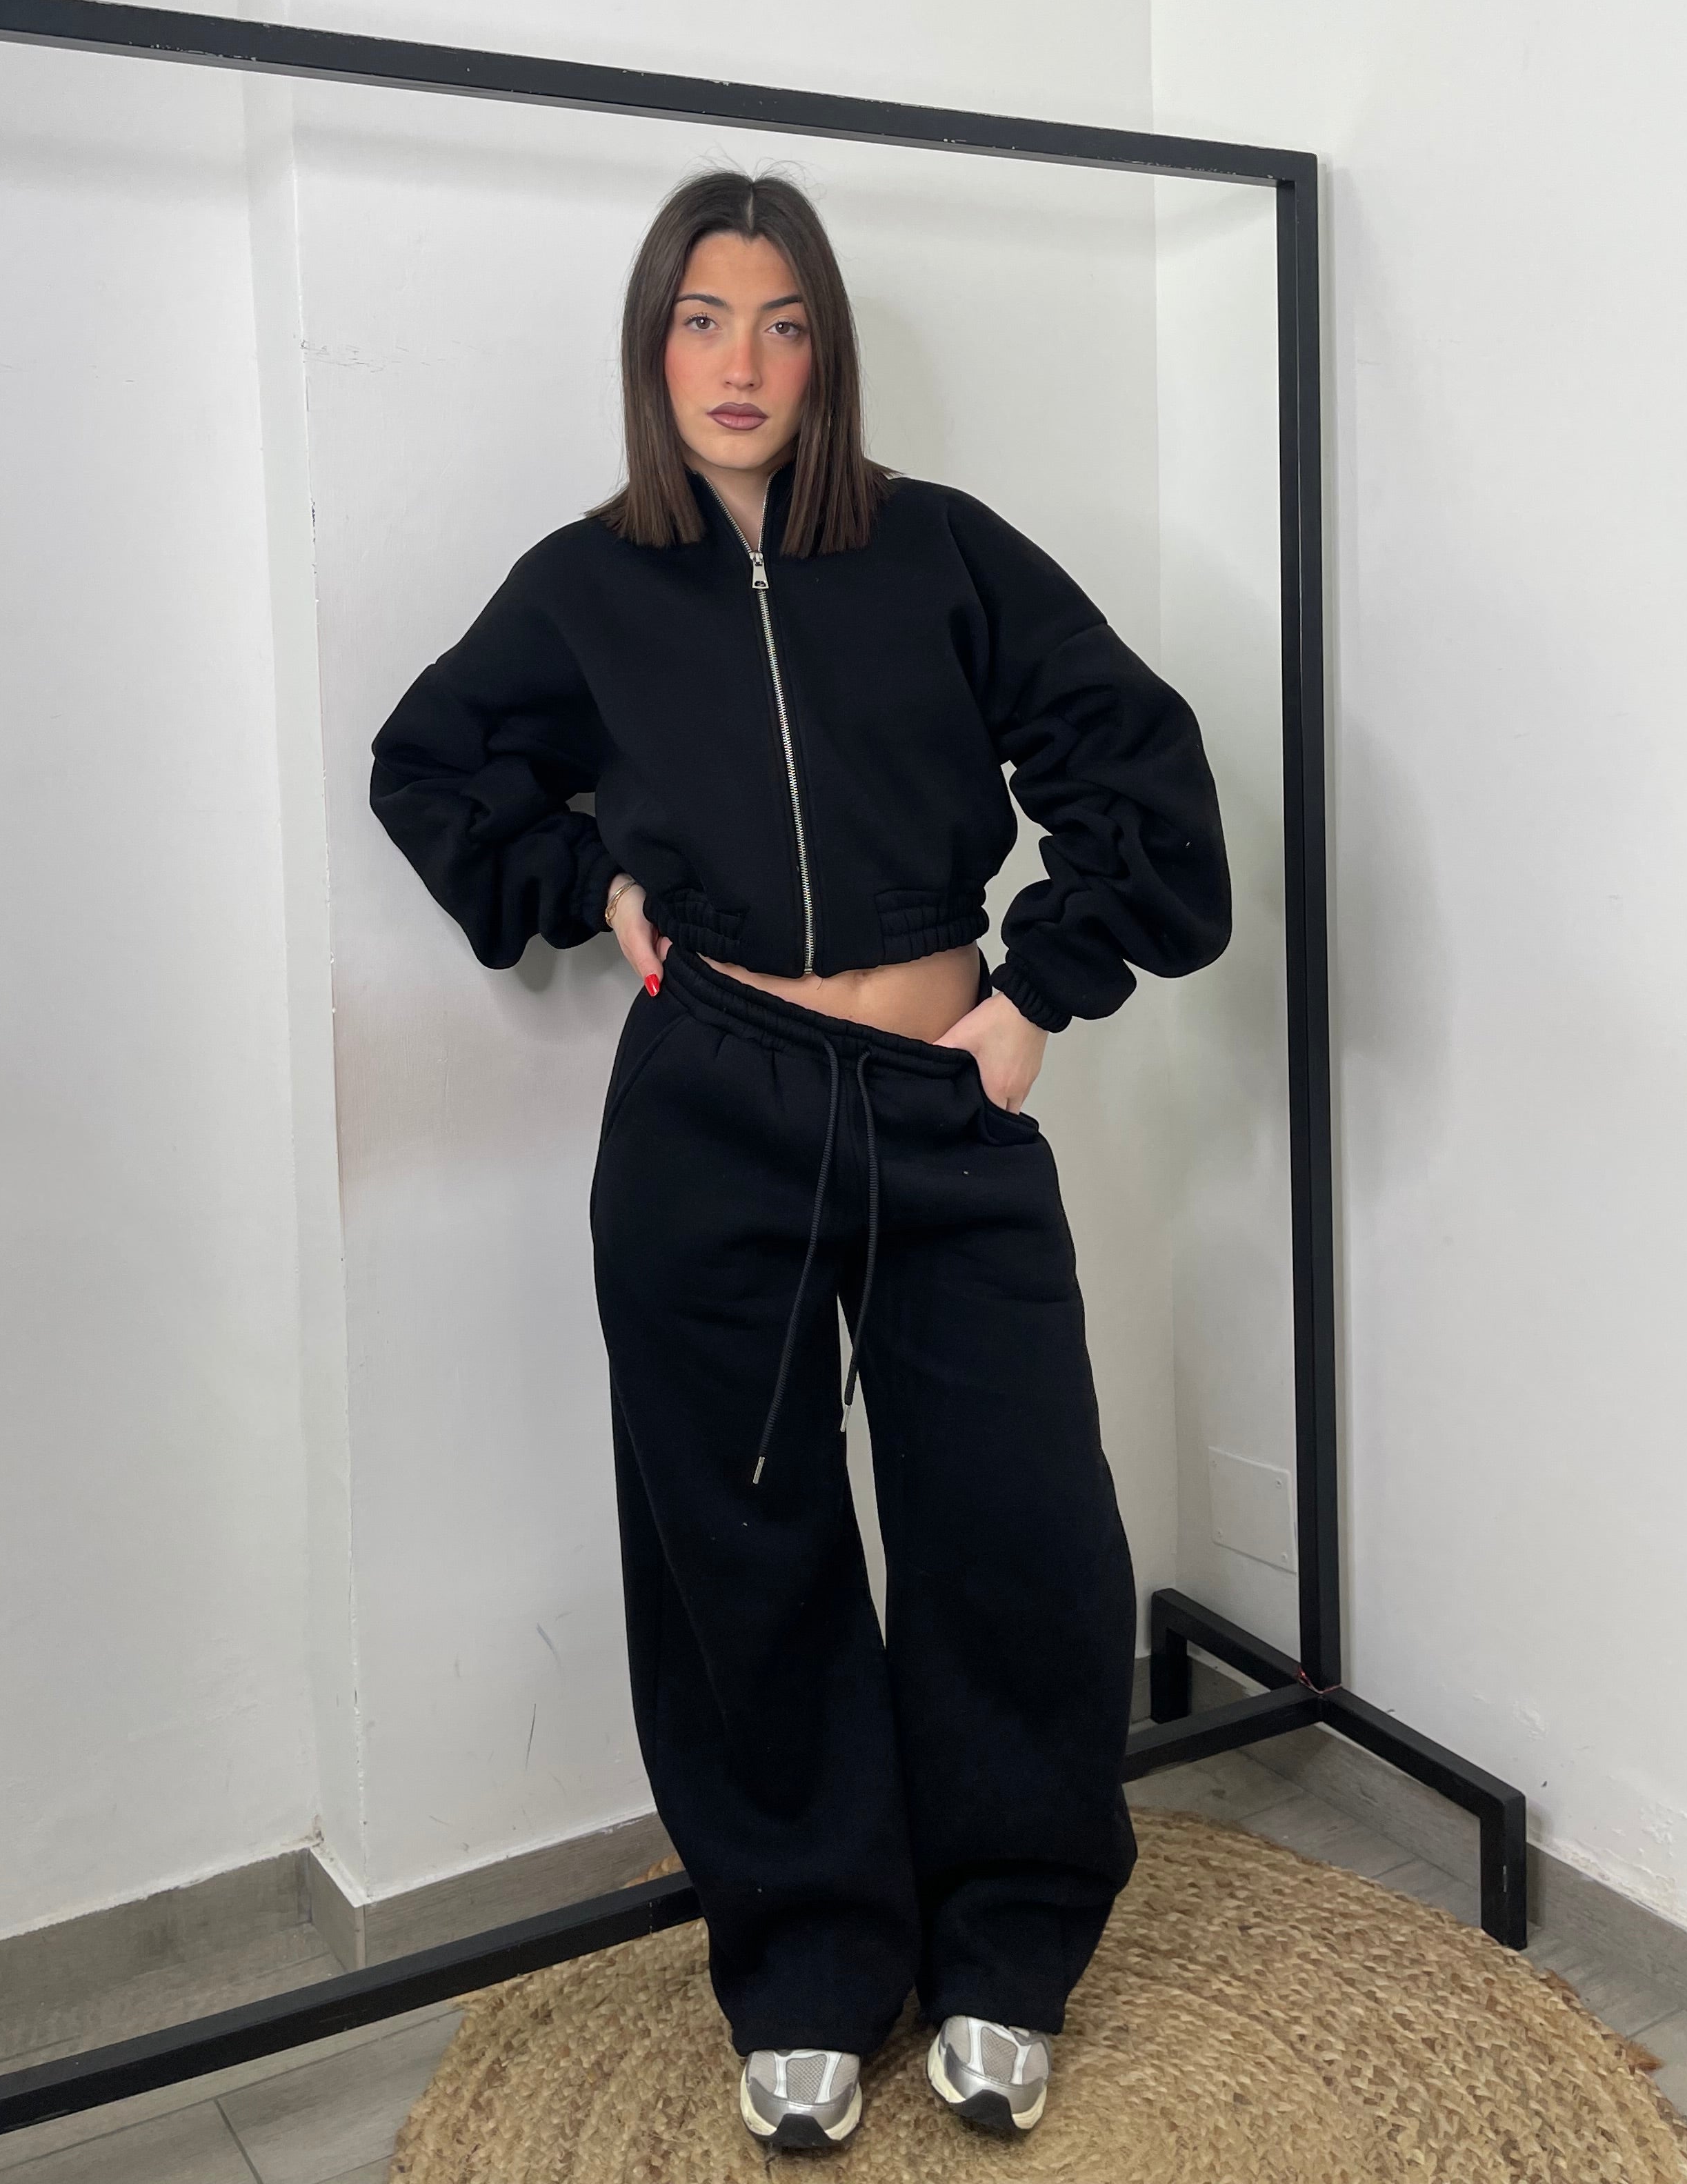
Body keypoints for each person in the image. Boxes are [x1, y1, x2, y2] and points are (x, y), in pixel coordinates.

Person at [368, 170, 1231, 2152]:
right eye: (701, 320)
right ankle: (813, 1960)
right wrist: (588, 883)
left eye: (779, 322)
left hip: (943, 1092)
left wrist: (1036, 996)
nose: (739, 363)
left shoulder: (943, 552)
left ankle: (1006, 1944)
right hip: (714, 1103)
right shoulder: (586, 586)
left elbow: (1138, 761)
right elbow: (432, 765)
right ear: (651, 349)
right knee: (739, 1545)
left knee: (1017, 1530)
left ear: (825, 350)